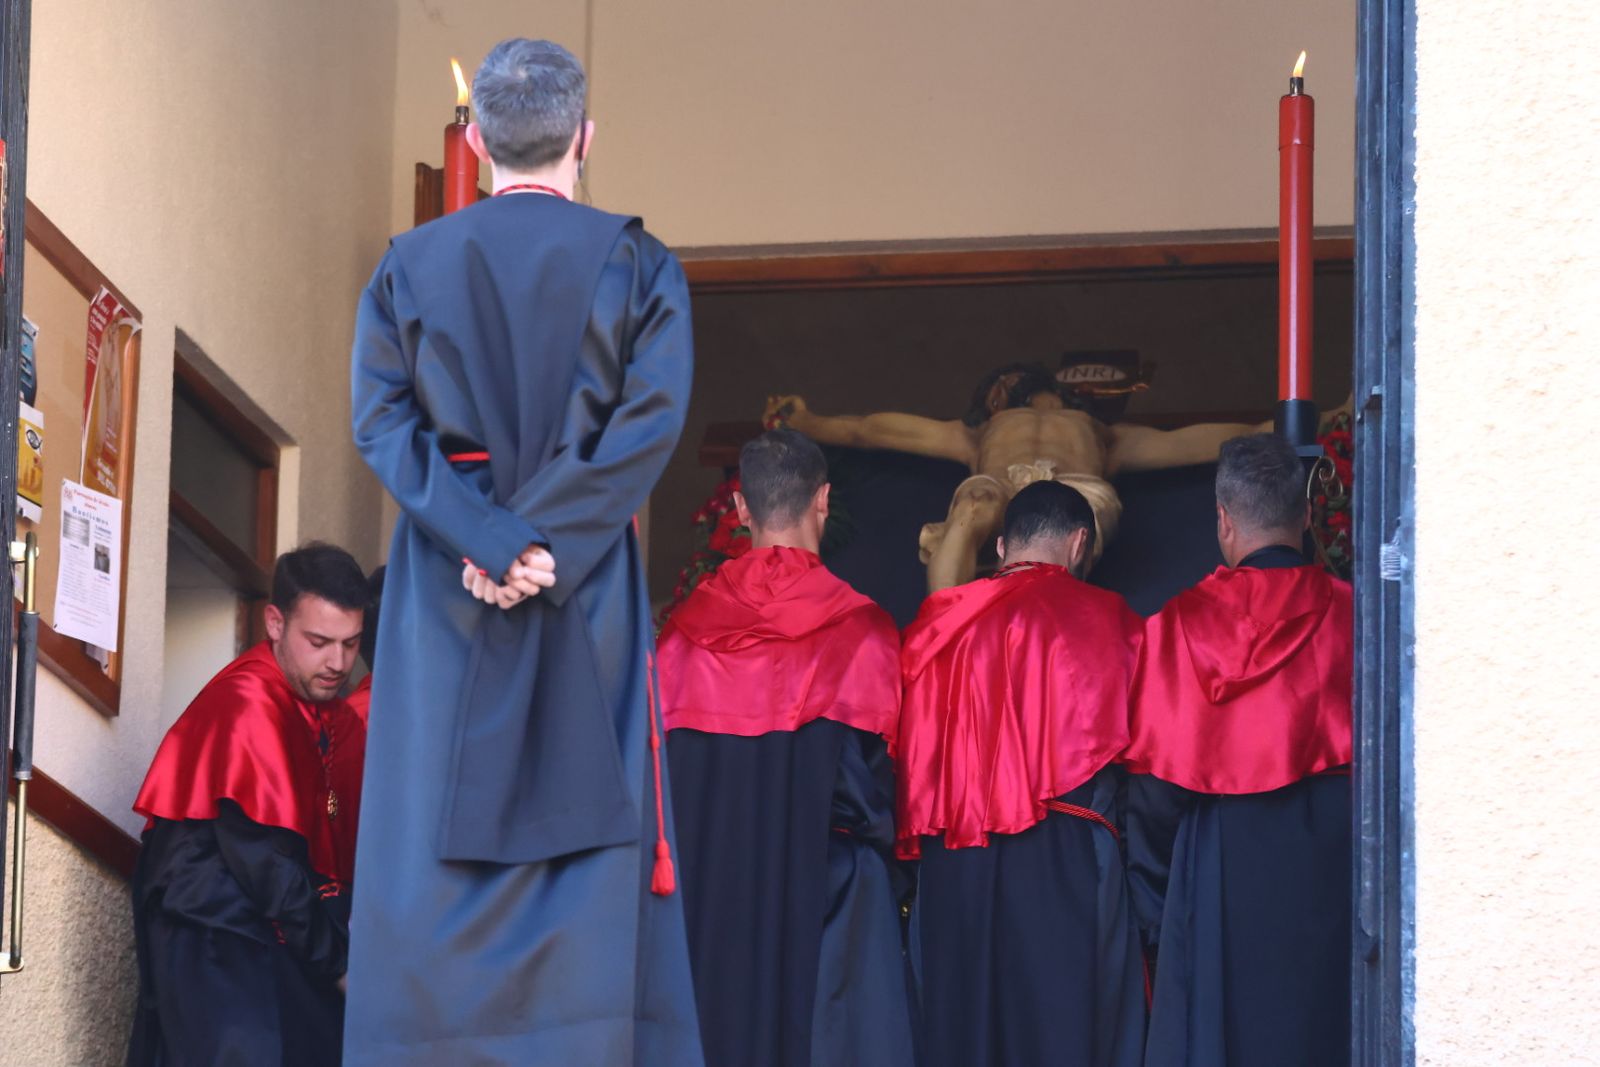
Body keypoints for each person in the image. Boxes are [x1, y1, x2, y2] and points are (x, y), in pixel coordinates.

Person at [345, 38, 702, 1066]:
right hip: (577, 585)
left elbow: (381, 427)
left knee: (430, 827)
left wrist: (488, 536)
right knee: (586, 848)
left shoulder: (405, 267)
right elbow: (647, 426)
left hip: (450, 584)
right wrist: (540, 542)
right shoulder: (639, 265)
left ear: (474, 139)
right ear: (584, 139)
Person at [657, 430, 916, 1067]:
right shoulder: (862, 633)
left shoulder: (681, 639)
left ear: (741, 509)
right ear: (823, 500)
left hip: (711, 901)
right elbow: (882, 790)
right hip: (827, 898)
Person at [897, 481, 1146, 1067]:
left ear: (1004, 545)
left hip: (953, 861)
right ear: (1080, 543)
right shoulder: (1110, 619)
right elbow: (1148, 760)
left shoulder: (938, 626)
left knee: (958, 1027)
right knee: (1065, 1027)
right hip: (1066, 853)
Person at [1123, 432, 1353, 1067]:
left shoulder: (1174, 625)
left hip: (1216, 865)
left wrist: (1156, 909)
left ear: (1223, 520)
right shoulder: (1358, 617)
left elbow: (1153, 790)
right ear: (1306, 515)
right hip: (1332, 868)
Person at [766, 367, 1347, 591]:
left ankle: (1060, 619)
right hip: (997, 482)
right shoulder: (976, 433)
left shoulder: (1105, 436)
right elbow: (873, 431)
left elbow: (1197, 439)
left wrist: (1305, 423)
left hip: (1077, 487)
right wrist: (811, 420)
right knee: (967, 515)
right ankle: (940, 634)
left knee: (1072, 524)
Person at [127, 543, 369, 1067]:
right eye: (320, 642)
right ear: (275, 623)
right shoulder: (248, 704)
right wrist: (339, 966)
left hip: (272, 934)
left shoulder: (318, 703)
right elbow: (267, 862)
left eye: (351, 644)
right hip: (217, 934)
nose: (338, 663)